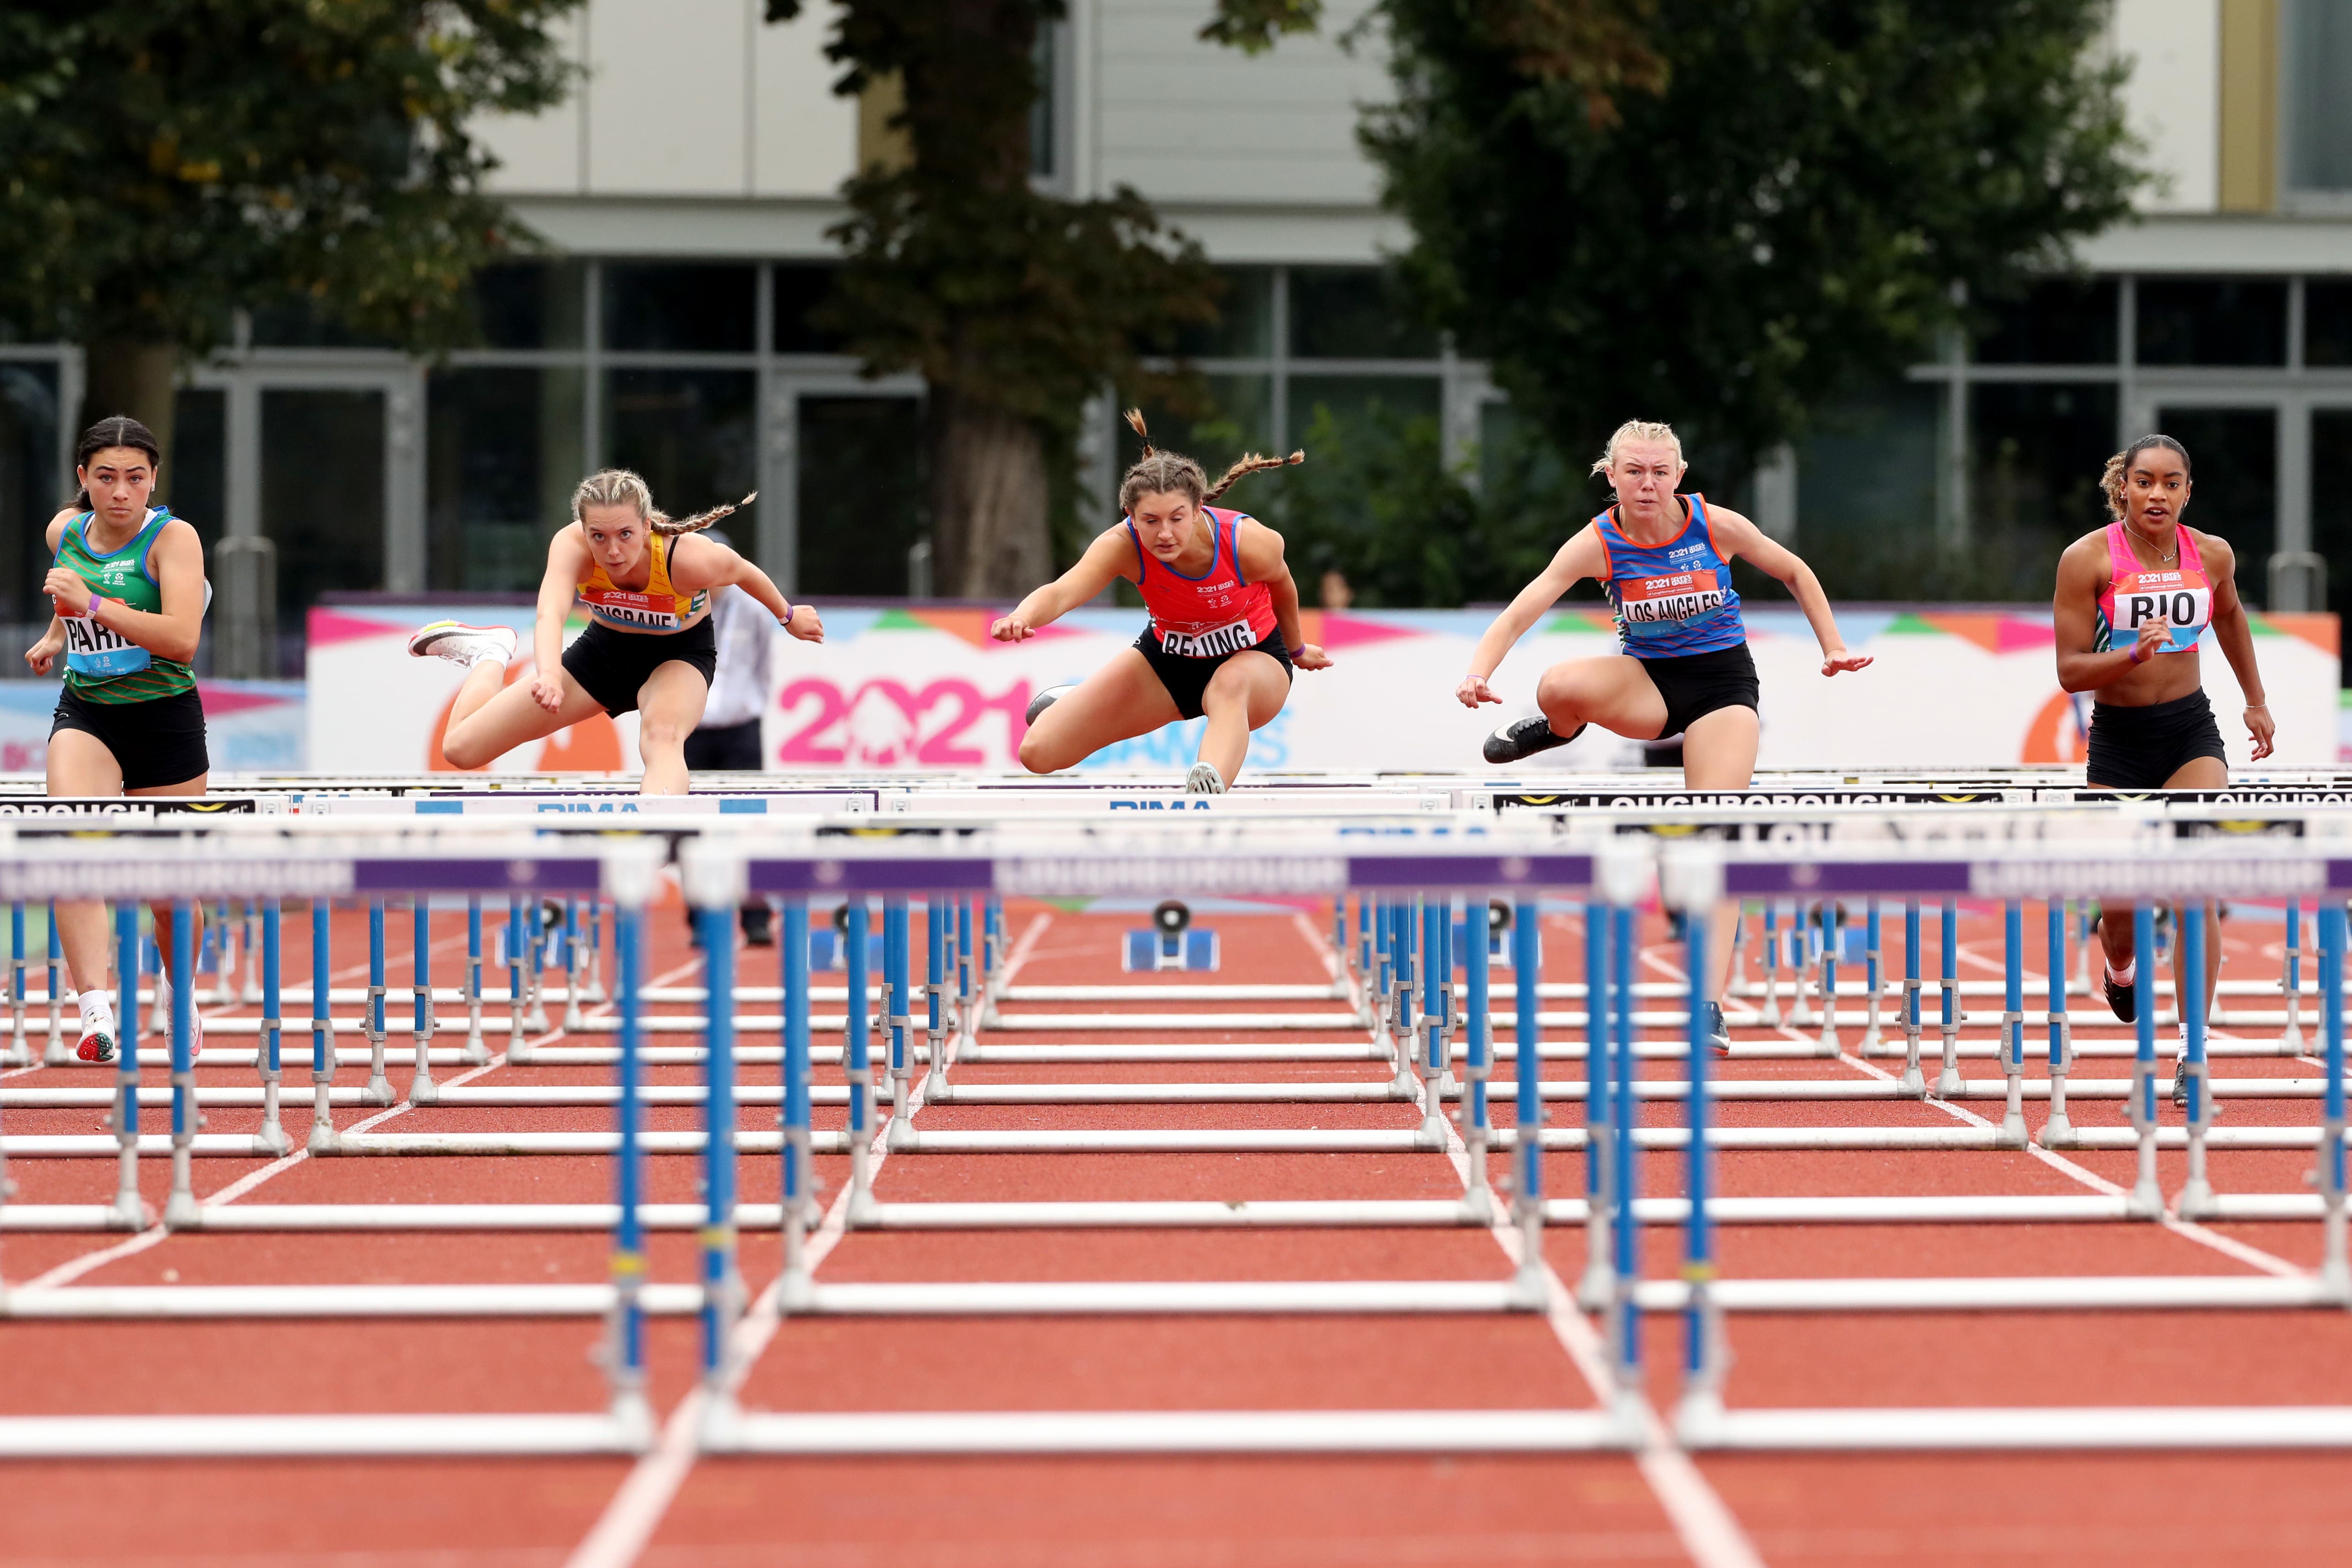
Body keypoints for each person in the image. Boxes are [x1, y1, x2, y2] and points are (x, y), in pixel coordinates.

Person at [1457, 418, 1872, 1051]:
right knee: (1557, 685)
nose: (1647, 485)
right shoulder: (1597, 542)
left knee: (1718, 838)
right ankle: (1560, 730)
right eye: (1634, 472)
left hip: (1722, 689)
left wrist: (1834, 645)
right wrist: (1478, 672)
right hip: (1647, 685)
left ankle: (1708, 1003)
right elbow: (1523, 609)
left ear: (1679, 476)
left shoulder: (1715, 526)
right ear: (1612, 476)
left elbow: (1794, 571)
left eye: (1659, 472)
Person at [2054, 433, 2271, 1102]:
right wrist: (2131, 658)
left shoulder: (2211, 554)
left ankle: (2192, 1053)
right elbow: (2068, 672)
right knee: (2120, 911)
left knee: (2194, 878)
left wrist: (2256, 702)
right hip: (2118, 742)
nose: (2157, 494)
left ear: (2187, 491)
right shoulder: (2086, 558)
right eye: (2144, 481)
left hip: (2189, 733)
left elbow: (2230, 618)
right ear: (2124, 487)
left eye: (2171, 483)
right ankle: (2119, 968)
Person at [407, 470, 821, 795]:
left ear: (646, 526)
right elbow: (551, 612)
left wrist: (788, 616)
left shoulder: (687, 557)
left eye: (625, 535)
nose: (614, 552)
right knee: (461, 750)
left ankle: (653, 832)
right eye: (599, 538)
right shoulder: (571, 546)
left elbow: (744, 571)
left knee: (662, 734)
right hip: (604, 655)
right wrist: (549, 674)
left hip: (679, 655)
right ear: (583, 531)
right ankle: (490, 655)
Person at [993, 413, 1331, 792]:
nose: (1166, 534)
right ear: (1131, 517)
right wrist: (1021, 616)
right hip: (1170, 661)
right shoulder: (1122, 546)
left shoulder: (1247, 542)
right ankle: (1081, 701)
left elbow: (1283, 586)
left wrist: (1297, 648)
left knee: (1228, 684)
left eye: (1177, 518)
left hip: (1255, 660)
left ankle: (1206, 788)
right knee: (1038, 753)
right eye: (1151, 521)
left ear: (1199, 508)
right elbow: (1063, 590)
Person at [22, 415, 211, 1066]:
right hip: (90, 712)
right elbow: (65, 594)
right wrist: (57, 634)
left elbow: (182, 638)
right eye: (106, 478)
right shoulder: (64, 531)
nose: (121, 492)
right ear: (84, 480)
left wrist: (93, 604)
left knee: (168, 890)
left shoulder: (173, 540)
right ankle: (95, 1011)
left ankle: (178, 991)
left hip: (164, 717)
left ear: (154, 479)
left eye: (136, 478)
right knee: (73, 843)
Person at [683, 529, 775, 944]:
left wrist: (751, 706)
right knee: (691, 827)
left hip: (741, 731)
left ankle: (755, 918)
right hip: (690, 730)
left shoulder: (755, 609)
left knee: (748, 824)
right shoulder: (676, 607)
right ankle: (702, 918)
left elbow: (764, 667)